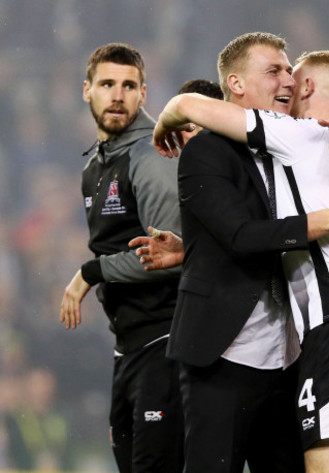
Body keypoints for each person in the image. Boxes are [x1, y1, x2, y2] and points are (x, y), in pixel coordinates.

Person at [129, 32, 329, 473]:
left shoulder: (292, 143)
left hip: (289, 355)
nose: (289, 80)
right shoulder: (207, 150)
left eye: (290, 70)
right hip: (223, 353)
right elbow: (239, 235)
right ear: (236, 84)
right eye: (275, 71)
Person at [59, 43, 184, 473]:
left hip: (166, 340)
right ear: (86, 90)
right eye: (107, 84)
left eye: (129, 86)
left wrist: (90, 272)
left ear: (143, 94)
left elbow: (172, 255)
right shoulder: (93, 167)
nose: (118, 95)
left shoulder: (152, 158)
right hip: (128, 347)